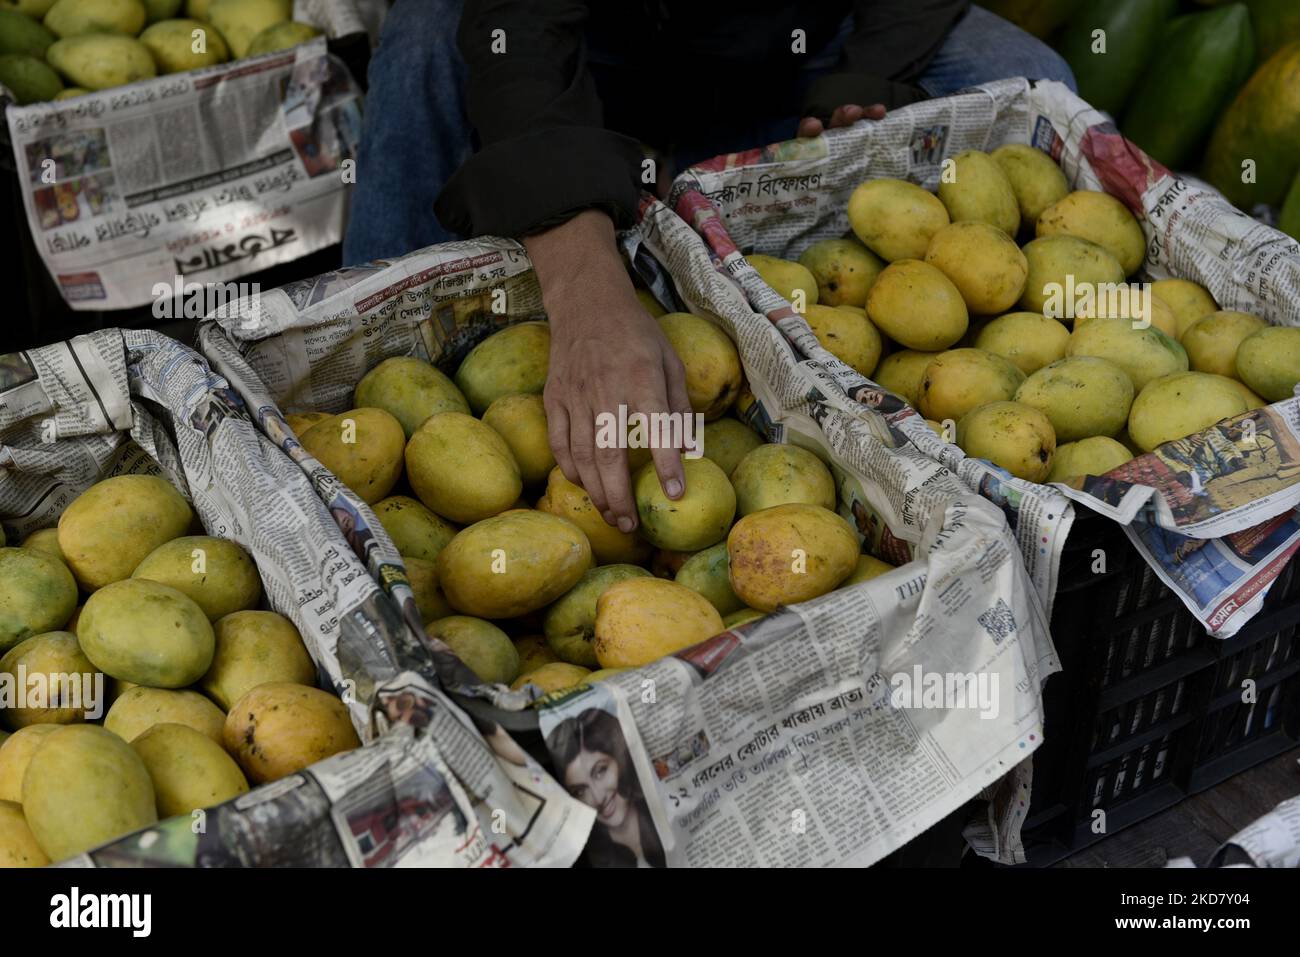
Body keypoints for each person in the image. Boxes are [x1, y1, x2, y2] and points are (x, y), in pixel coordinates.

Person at [346, 1, 1076, 534]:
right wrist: (583, 283)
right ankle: (366, 376)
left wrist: (870, 76)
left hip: (793, 41)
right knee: (425, 40)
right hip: (583, 57)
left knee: (1026, 75)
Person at [547, 708, 666, 867]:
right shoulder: (585, 854)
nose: (598, 798)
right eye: (580, 791)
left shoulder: (664, 808)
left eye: (600, 771)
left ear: (620, 759)